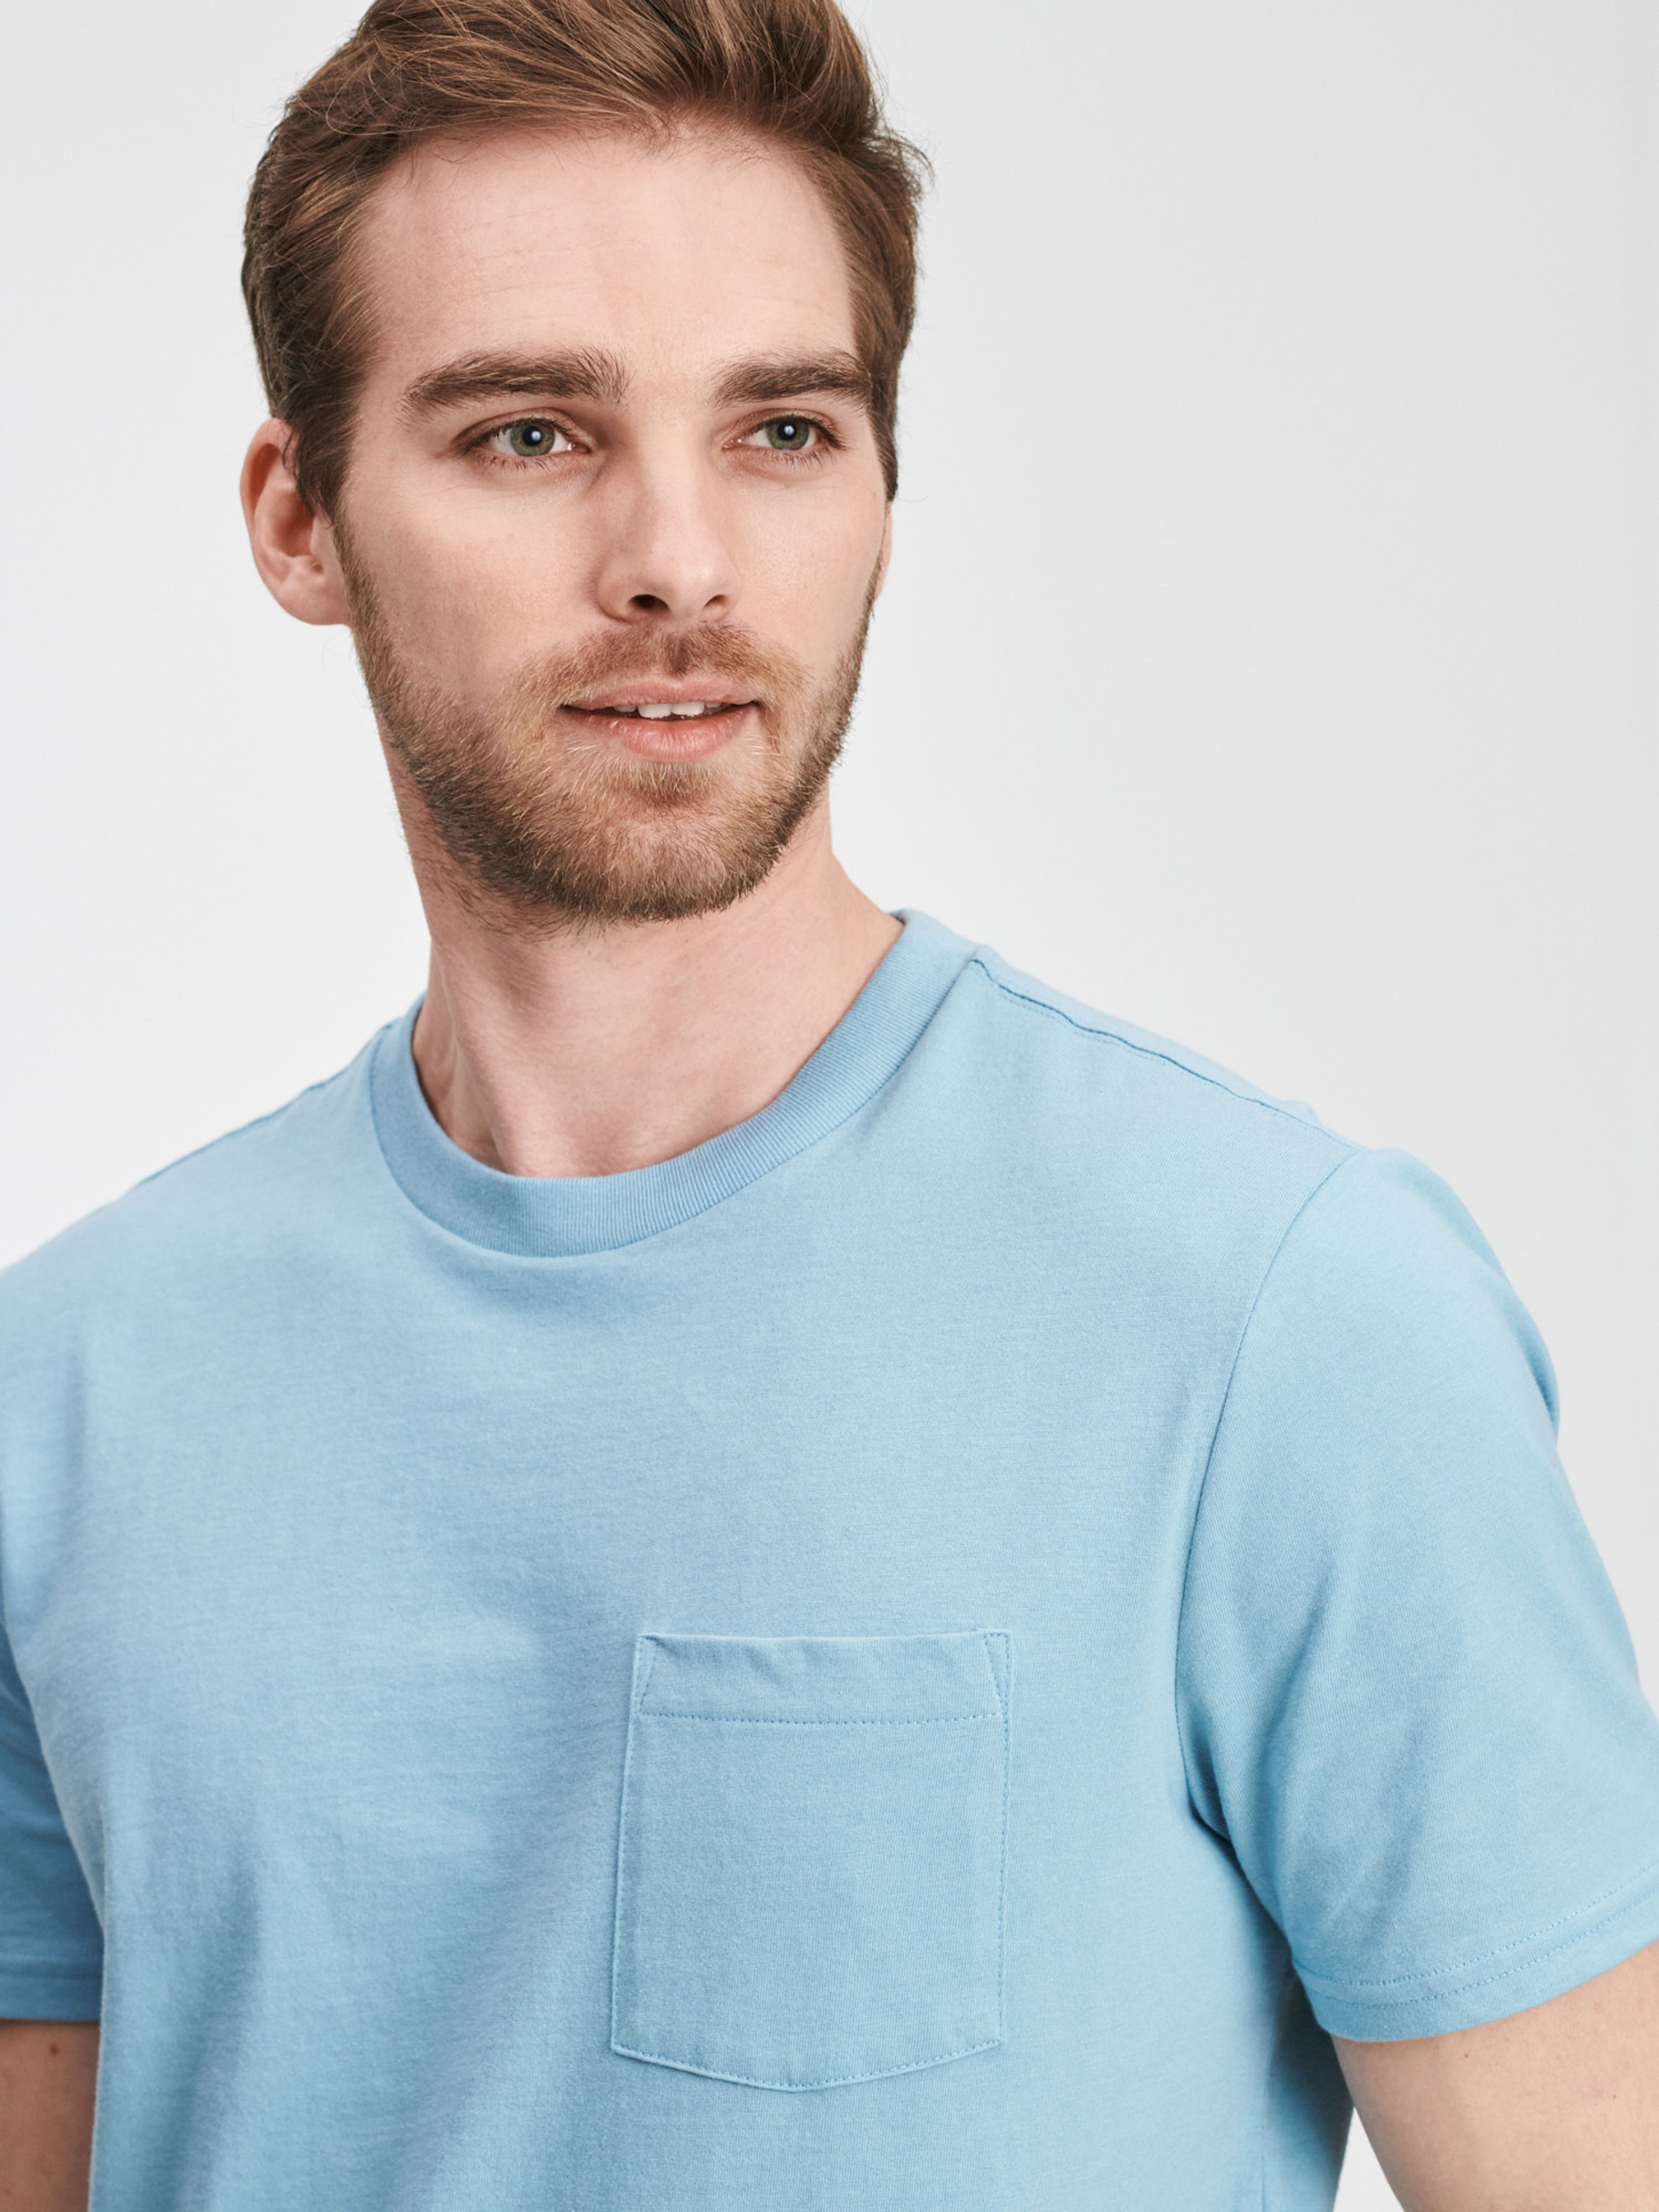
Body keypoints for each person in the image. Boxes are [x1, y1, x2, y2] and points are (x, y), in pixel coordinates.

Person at [2, 0, 1657, 2203]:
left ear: (880, 495)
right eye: (530, 433)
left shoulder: (1279, 1320)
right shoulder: (67, 1392)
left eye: (782, 428)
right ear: (300, 520)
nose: (678, 560)